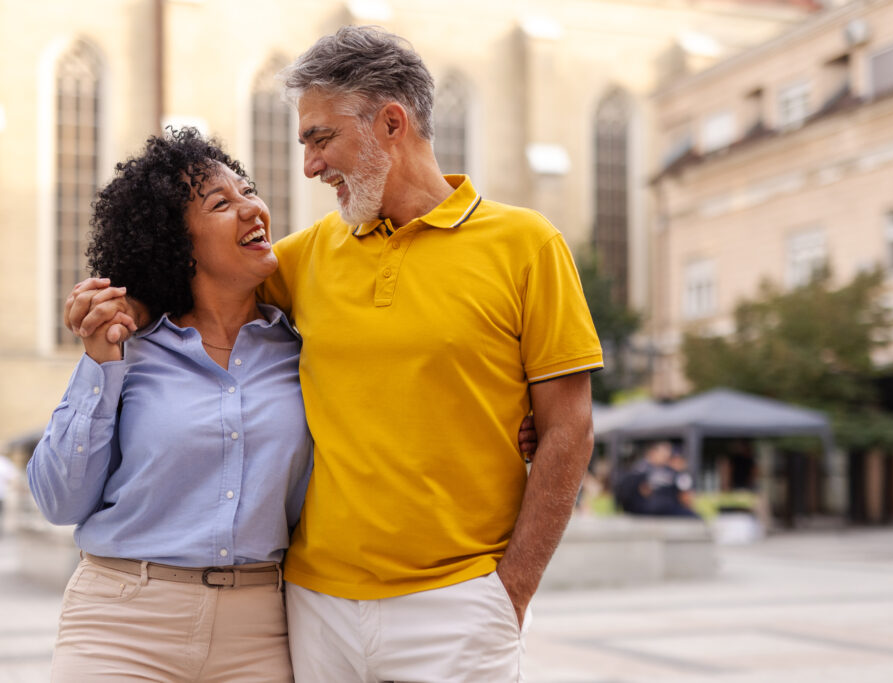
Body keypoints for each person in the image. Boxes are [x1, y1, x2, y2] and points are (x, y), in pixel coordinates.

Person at [70, 25, 602, 682]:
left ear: (390, 123)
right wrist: (126, 311)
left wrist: (511, 591)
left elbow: (569, 429)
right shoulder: (308, 255)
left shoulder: (528, 245)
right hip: (315, 606)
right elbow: (198, 281)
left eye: (321, 138)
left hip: (457, 603)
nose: (309, 166)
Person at [30, 128, 312, 682]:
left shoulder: (303, 350)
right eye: (221, 203)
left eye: (248, 191)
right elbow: (59, 501)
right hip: (121, 623)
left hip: (258, 630)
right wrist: (99, 365)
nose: (252, 207)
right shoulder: (128, 346)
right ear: (178, 244)